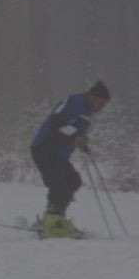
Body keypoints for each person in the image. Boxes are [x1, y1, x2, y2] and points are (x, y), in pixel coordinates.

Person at [29, 81, 111, 238]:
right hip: (45, 147)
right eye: (100, 103)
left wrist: (82, 143)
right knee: (60, 184)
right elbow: (57, 120)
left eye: (104, 105)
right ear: (92, 96)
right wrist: (76, 136)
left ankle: (54, 218)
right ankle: (53, 224)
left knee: (73, 181)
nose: (101, 107)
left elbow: (74, 133)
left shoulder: (87, 113)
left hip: (58, 154)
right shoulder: (76, 102)